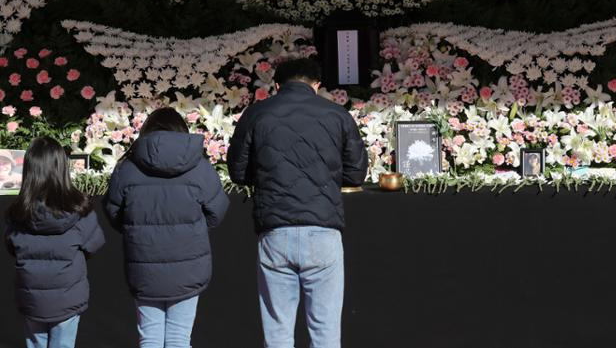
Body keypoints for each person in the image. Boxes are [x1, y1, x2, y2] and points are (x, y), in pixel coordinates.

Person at [227, 58, 368, 348]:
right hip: (323, 231)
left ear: (276, 86)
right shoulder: (337, 114)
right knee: (325, 333)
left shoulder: (256, 113)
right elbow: (356, 173)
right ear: (316, 85)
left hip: (275, 231)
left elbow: (238, 172)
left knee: (277, 332)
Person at [103, 107, 229, 348]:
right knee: (179, 339)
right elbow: (218, 209)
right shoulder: (199, 166)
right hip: (188, 267)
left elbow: (113, 211)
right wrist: (196, 229)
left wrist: (134, 230)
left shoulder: (127, 168)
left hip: (143, 264)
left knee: (149, 338)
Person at [4, 137, 105, 348]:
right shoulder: (80, 210)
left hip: (32, 299)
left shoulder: (16, 213)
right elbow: (95, 244)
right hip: (67, 299)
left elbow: (11, 246)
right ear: (61, 167)